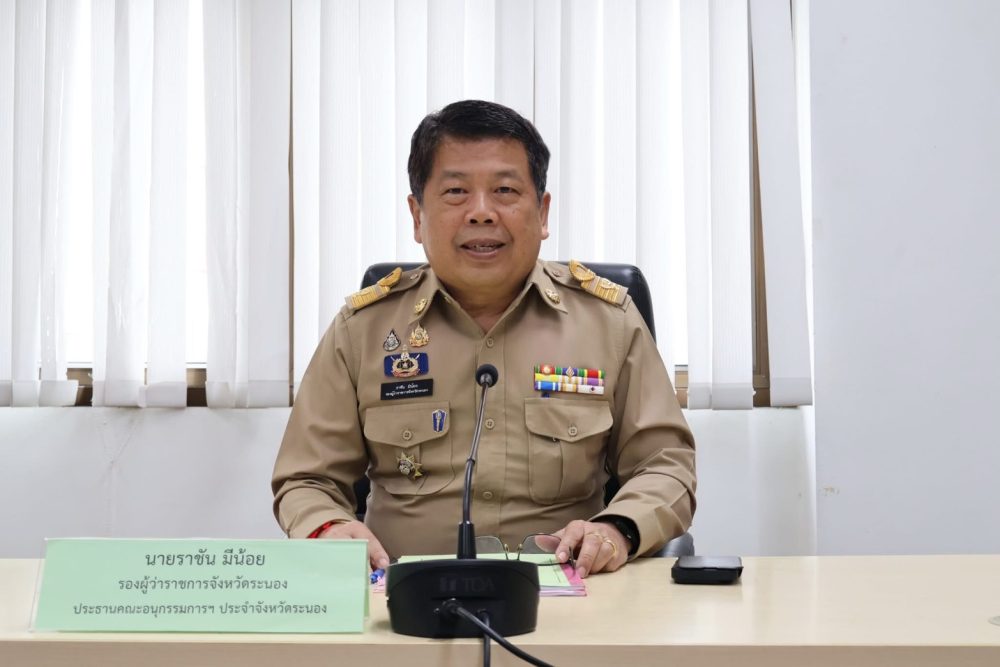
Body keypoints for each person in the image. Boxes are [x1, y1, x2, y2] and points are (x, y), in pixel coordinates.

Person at [272, 100, 696, 578]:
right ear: (417, 215)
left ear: (542, 212)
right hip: (403, 598)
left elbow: (666, 465)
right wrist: (329, 527)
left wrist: (617, 529)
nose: (481, 213)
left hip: (571, 596)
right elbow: (307, 478)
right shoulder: (363, 330)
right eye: (456, 192)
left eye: (505, 190)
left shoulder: (608, 322)